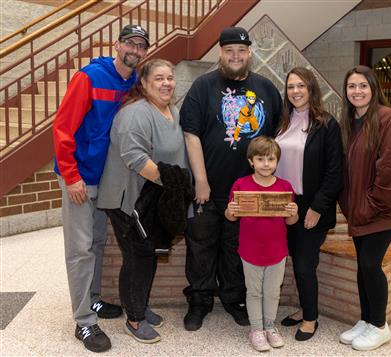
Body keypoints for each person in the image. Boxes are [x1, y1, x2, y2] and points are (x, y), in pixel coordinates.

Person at [52, 24, 149, 352]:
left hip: (106, 180)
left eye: (141, 46)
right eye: (130, 44)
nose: (135, 50)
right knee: (79, 249)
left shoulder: (134, 82)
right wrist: (70, 175)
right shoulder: (89, 78)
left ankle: (92, 301)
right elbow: (63, 128)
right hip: (81, 178)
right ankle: (83, 322)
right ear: (116, 44)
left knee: (95, 242)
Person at [180, 26, 282, 331]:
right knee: (201, 247)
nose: (235, 56)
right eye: (228, 51)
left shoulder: (266, 89)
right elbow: (191, 133)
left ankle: (234, 299)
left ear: (249, 53)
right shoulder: (202, 86)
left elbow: (275, 138)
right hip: (207, 191)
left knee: (237, 249)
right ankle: (199, 302)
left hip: (248, 192)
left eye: (241, 51)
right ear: (220, 53)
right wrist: (201, 180)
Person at [97, 59, 190, 344]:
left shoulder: (171, 110)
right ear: (145, 84)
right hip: (128, 200)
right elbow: (136, 159)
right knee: (139, 257)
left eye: (170, 78)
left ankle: (138, 306)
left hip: (151, 199)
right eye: (159, 78)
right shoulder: (135, 114)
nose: (166, 83)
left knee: (146, 255)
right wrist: (176, 186)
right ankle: (135, 320)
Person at [338, 65, 391, 351]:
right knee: (362, 267)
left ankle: (380, 326)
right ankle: (366, 319)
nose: (357, 91)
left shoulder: (386, 118)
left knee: (370, 264)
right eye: (352, 86)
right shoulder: (349, 120)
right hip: (359, 209)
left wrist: (371, 204)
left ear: (373, 88)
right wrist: (351, 204)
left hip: (382, 210)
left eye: (363, 86)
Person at [275, 67, 343, 341]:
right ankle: (304, 309)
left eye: (301, 86)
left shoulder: (327, 124)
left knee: (304, 264)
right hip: (282, 204)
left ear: (311, 89)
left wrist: (317, 208)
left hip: (311, 205)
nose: (295, 91)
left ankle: (311, 319)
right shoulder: (281, 122)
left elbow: (335, 172)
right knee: (295, 259)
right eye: (291, 87)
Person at [225, 136, 299, 352]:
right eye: (260, 159)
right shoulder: (241, 185)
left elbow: (291, 221)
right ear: (251, 161)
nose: (266, 164)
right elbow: (230, 217)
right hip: (249, 250)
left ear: (277, 162)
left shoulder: (285, 187)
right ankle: (256, 329)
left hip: (277, 251)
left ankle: (270, 326)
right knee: (254, 291)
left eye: (270, 159)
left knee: (273, 291)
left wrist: (294, 213)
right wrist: (231, 211)